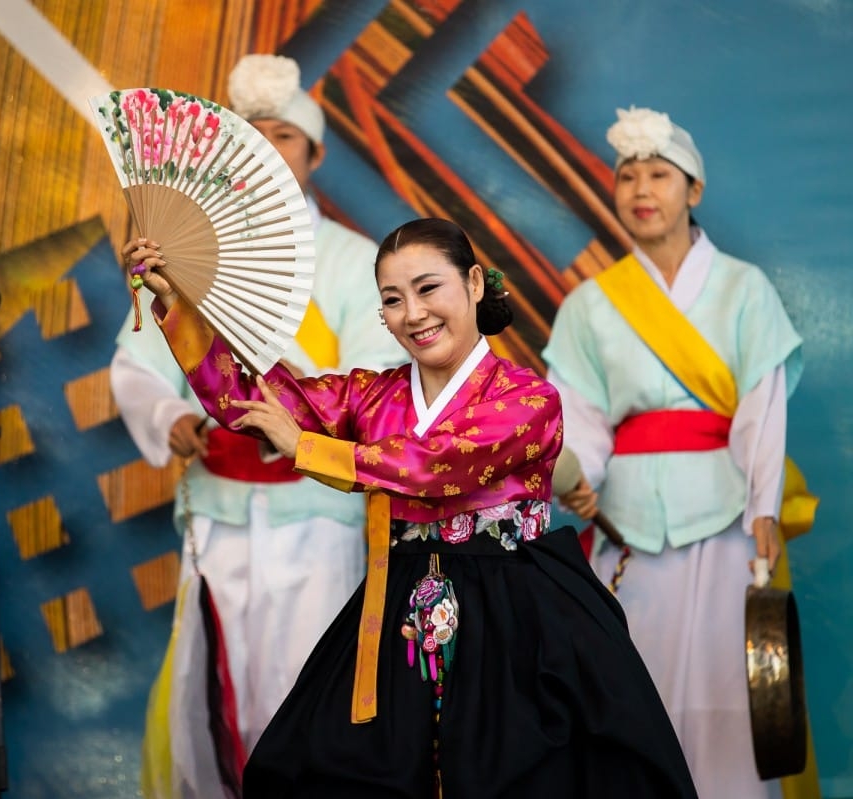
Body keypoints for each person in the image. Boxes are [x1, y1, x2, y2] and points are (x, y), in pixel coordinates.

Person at [122, 217, 697, 797]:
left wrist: (307, 449)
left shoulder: (527, 398)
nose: (413, 314)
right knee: (319, 763)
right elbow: (250, 399)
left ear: (474, 283)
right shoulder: (373, 395)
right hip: (398, 603)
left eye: (428, 289)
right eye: (393, 300)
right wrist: (177, 302)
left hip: (515, 611)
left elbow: (432, 465)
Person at [110, 53, 405, 789]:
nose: (269, 151)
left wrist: (297, 411)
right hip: (220, 511)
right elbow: (138, 363)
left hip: (321, 513)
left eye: (285, 137)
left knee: (312, 700)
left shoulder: (355, 259)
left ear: (316, 155)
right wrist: (175, 414)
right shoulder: (188, 258)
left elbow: (375, 382)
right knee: (221, 703)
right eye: (253, 137)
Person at [543, 107, 806, 799]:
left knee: (727, 704)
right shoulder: (589, 305)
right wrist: (576, 479)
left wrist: (762, 508)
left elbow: (761, 410)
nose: (641, 187)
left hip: (723, 524)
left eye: (660, 173)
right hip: (625, 526)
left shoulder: (744, 287)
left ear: (694, 189)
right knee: (632, 695)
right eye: (627, 175)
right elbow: (576, 419)